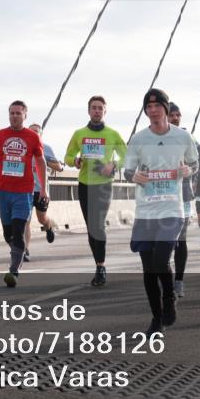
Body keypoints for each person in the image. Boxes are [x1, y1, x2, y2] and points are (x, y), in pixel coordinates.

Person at [124, 88, 199, 335]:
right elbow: (127, 170)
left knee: (160, 261)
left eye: (157, 106)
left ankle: (169, 298)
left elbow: (194, 163)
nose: (153, 110)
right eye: (148, 106)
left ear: (166, 109)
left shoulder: (182, 138)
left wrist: (188, 171)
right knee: (148, 268)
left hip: (172, 209)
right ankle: (156, 318)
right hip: (146, 210)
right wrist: (134, 176)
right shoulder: (138, 139)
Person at [64, 95, 128, 287]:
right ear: (89, 110)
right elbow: (67, 156)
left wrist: (114, 164)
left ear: (105, 111)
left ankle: (101, 267)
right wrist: (74, 161)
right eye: (94, 107)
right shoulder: (79, 133)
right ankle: (98, 263)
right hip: (84, 183)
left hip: (103, 185)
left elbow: (128, 157)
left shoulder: (113, 134)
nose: (97, 111)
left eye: (100, 108)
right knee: (91, 228)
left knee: (98, 225)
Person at [0, 101, 48, 288]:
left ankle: (13, 270)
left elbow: (41, 162)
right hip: (4, 192)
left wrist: (43, 189)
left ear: (25, 115)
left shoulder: (32, 137)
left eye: (18, 113)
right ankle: (17, 253)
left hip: (24, 192)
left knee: (19, 231)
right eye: (11, 113)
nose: (14, 116)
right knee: (8, 233)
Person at [168, 102, 200, 297]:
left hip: (182, 196)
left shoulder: (190, 140)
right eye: (171, 114)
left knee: (179, 240)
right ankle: (166, 277)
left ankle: (178, 281)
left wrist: (193, 183)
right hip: (159, 198)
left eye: (178, 114)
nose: (175, 118)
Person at [24, 123, 63, 260]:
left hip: (41, 191)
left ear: (41, 134)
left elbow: (59, 168)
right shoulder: (23, 147)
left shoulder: (46, 149)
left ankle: (48, 227)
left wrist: (43, 159)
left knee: (42, 218)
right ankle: (25, 250)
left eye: (37, 131)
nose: (34, 133)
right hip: (25, 190)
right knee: (26, 221)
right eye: (31, 131)